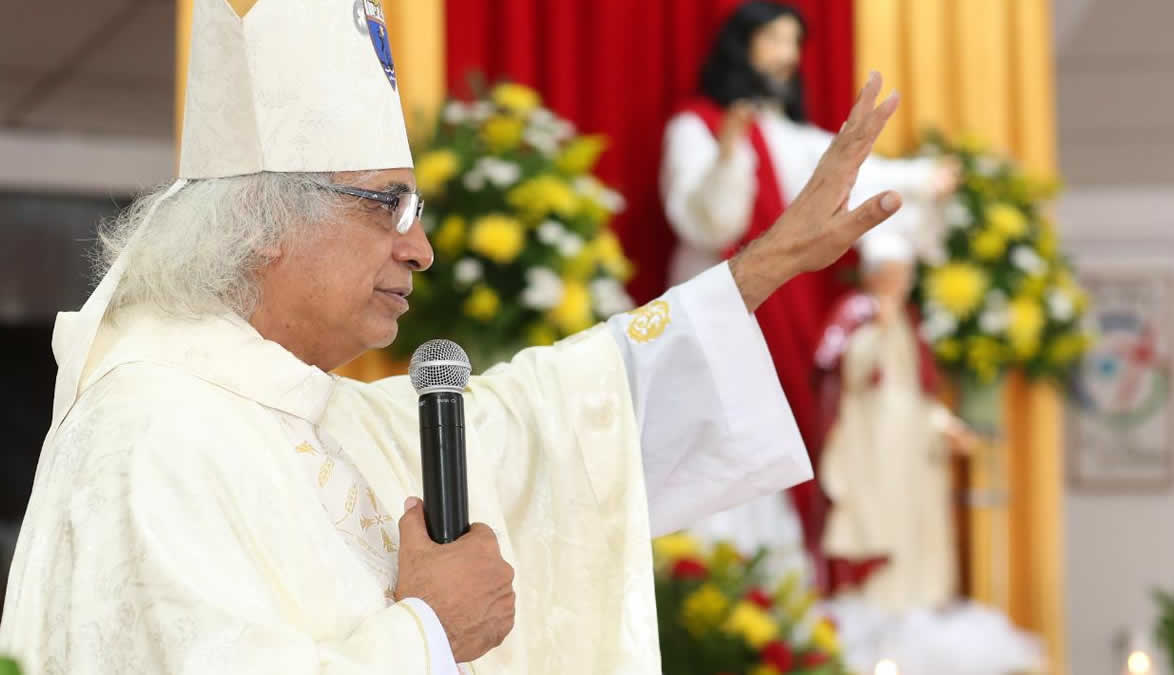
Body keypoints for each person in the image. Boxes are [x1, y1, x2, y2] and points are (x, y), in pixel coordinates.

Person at [0, 1, 909, 673]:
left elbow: (549, 421)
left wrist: (759, 270)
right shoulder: (150, 432)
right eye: (388, 204)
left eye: (420, 209)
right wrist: (428, 633)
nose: (421, 247)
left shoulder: (316, 414)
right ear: (262, 219)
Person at [663, 0, 957, 581]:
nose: (786, 57)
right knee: (711, 446)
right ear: (741, 47)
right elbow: (708, 224)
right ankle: (700, 591)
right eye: (773, 40)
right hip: (710, 310)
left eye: (793, 44)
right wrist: (727, 155)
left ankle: (771, 600)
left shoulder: (792, 137)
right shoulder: (693, 125)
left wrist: (924, 177)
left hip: (778, 318)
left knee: (770, 447)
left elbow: (852, 176)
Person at [814, 227, 976, 611]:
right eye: (890, 274)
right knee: (875, 523)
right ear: (872, 275)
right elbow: (846, 373)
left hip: (912, 447)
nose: (897, 283)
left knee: (917, 528)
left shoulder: (910, 322)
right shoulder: (856, 314)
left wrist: (945, 425)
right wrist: (876, 331)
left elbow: (919, 389)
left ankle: (919, 603)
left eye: (903, 275)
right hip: (870, 441)